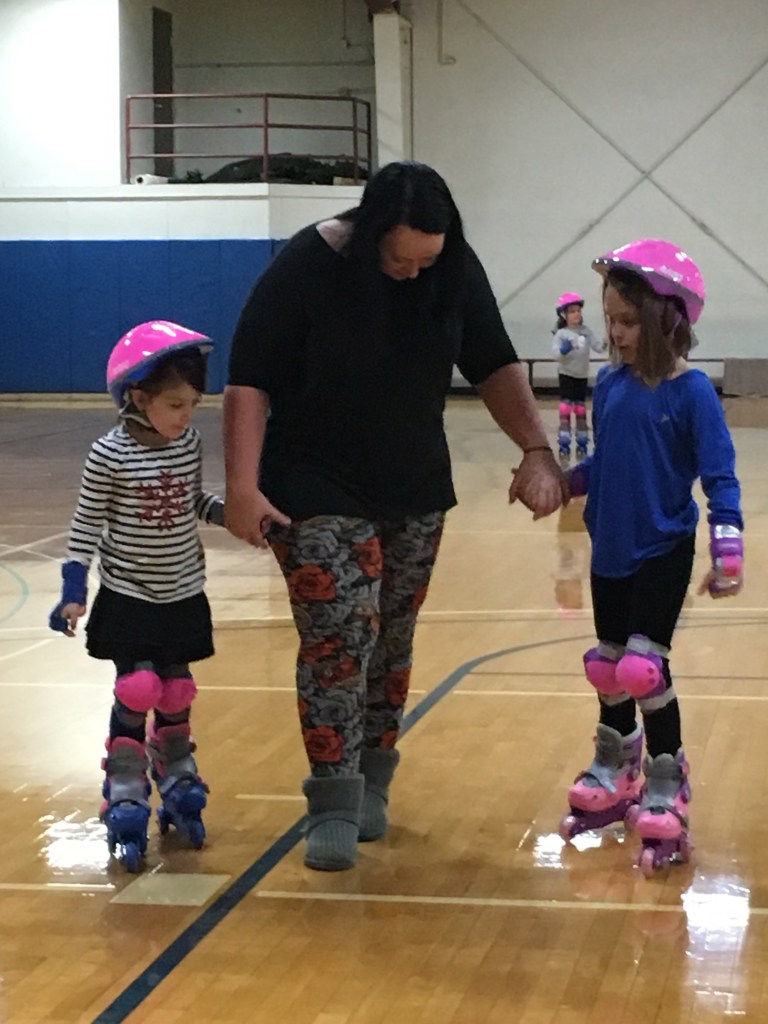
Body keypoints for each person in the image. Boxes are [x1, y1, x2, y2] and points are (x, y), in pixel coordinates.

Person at [223, 160, 566, 871]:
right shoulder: (307, 265)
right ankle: (332, 799)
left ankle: (373, 779)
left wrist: (537, 448)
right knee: (339, 638)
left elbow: (493, 362)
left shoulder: (452, 268)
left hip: (413, 484)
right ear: (368, 230)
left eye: (426, 261)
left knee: (391, 640)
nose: (413, 273)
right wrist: (242, 486)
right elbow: (248, 380)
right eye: (399, 258)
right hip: (311, 480)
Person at [558, 239, 744, 876]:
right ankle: (617, 765)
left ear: (668, 319)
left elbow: (720, 474)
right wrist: (563, 482)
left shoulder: (691, 392)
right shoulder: (610, 386)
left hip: (663, 546)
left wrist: (727, 545)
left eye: (629, 321)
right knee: (607, 669)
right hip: (609, 545)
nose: (615, 333)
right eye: (611, 319)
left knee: (643, 670)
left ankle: (668, 775)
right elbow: (607, 460)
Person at [48, 321, 224, 872]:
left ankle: (176, 770)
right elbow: (85, 525)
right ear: (138, 398)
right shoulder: (109, 454)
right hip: (129, 595)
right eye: (175, 404)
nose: (185, 417)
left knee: (176, 690)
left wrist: (231, 514)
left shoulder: (187, 443)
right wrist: (73, 591)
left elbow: (192, 500)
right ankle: (124, 781)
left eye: (193, 405)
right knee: (139, 686)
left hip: (182, 591)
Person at [551, 292, 605, 462]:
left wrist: (608, 339)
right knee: (566, 408)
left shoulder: (586, 331)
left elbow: (598, 347)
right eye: (572, 311)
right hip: (566, 375)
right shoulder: (561, 334)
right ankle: (564, 441)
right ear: (564, 315)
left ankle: (582, 441)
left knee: (580, 409)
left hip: (581, 376)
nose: (577, 314)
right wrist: (564, 349)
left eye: (578, 311)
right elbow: (556, 355)